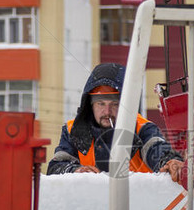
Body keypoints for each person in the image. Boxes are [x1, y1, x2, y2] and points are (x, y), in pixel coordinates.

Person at [47, 63, 186, 184]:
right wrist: (76, 171)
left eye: (114, 104)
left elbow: (157, 149)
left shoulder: (142, 128)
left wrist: (169, 161)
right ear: (90, 105)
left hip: (139, 208)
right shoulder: (72, 131)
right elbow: (56, 167)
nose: (107, 111)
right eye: (101, 104)